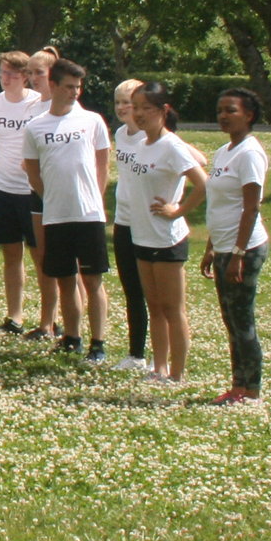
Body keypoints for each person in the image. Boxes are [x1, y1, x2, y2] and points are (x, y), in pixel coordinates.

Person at [117, 81, 206, 383]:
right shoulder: (142, 145)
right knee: (153, 306)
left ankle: (177, 373)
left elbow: (203, 183)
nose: (139, 114)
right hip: (141, 235)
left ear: (163, 111)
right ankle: (159, 368)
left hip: (167, 239)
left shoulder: (173, 146)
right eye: (135, 107)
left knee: (172, 308)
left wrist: (178, 210)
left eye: (146, 108)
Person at [23, 57, 111, 356]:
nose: (75, 92)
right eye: (69, 86)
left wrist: (94, 199)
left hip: (89, 215)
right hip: (55, 216)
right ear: (54, 85)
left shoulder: (92, 121)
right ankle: (72, 337)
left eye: (78, 87)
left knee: (93, 279)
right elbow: (32, 170)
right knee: (64, 279)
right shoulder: (36, 127)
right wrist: (51, 197)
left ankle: (98, 343)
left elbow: (102, 166)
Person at [204, 87, 271, 405]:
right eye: (220, 110)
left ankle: (251, 389)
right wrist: (211, 246)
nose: (223, 116)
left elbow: (251, 207)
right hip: (224, 247)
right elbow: (218, 203)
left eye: (231, 110)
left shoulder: (250, 154)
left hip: (244, 249)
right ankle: (237, 386)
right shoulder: (224, 151)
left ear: (249, 115)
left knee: (242, 319)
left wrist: (239, 254)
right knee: (230, 318)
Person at [0, 49, 46, 334]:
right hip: (2, 187)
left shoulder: (37, 104)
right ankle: (15, 316)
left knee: (40, 254)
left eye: (11, 73)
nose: (5, 78)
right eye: (2, 73)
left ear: (25, 77)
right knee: (11, 253)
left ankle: (49, 318)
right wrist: (4, 168)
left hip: (33, 189)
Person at [107, 76, 152, 368]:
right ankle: (135, 355)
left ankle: (158, 357)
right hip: (123, 220)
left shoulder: (154, 136)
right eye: (119, 103)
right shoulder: (121, 135)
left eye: (129, 103)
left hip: (148, 223)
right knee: (131, 290)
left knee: (154, 295)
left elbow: (194, 160)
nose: (123, 108)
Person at [23, 47, 61, 338]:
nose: (34, 78)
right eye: (31, 73)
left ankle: (72, 324)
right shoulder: (32, 106)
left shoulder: (64, 107)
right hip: (35, 190)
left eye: (40, 72)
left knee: (64, 260)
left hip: (60, 192)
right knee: (41, 257)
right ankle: (48, 322)